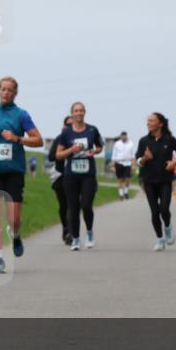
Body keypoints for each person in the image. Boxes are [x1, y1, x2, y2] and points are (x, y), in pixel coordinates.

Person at [0, 77, 43, 274]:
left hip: (14, 171)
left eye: (10, 90)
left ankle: (15, 234)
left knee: (14, 218)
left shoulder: (21, 115)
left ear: (15, 93)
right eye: (3, 89)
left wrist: (17, 138)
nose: (6, 92)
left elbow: (38, 140)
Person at [55, 102, 104, 250]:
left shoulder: (92, 130)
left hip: (88, 174)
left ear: (85, 113)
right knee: (73, 207)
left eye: (81, 110)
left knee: (86, 205)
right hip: (71, 175)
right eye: (76, 111)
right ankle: (75, 238)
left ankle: (89, 232)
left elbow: (100, 146)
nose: (79, 113)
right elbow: (58, 155)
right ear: (72, 113)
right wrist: (71, 150)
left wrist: (94, 152)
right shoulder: (66, 133)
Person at [135, 112, 176, 251]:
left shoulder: (169, 139)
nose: (148, 123)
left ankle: (168, 227)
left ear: (160, 123)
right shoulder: (143, 141)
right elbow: (138, 161)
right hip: (149, 180)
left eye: (151, 121)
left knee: (164, 209)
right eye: (148, 121)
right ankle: (159, 239)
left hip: (165, 180)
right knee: (154, 211)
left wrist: (175, 162)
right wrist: (144, 159)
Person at [45, 116, 73, 244]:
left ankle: (71, 231)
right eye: (68, 124)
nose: (70, 127)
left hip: (75, 176)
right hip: (60, 175)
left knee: (73, 205)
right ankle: (65, 228)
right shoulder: (59, 139)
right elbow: (51, 157)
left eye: (73, 124)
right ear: (64, 126)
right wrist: (65, 152)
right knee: (63, 205)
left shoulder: (81, 139)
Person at [110, 131, 135, 201]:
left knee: (128, 179)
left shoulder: (131, 143)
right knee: (120, 179)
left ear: (127, 136)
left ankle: (126, 192)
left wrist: (133, 165)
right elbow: (114, 155)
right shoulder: (117, 144)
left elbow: (133, 155)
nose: (123, 137)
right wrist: (112, 166)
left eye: (125, 136)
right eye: (122, 136)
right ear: (120, 136)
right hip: (119, 162)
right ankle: (121, 194)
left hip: (128, 163)